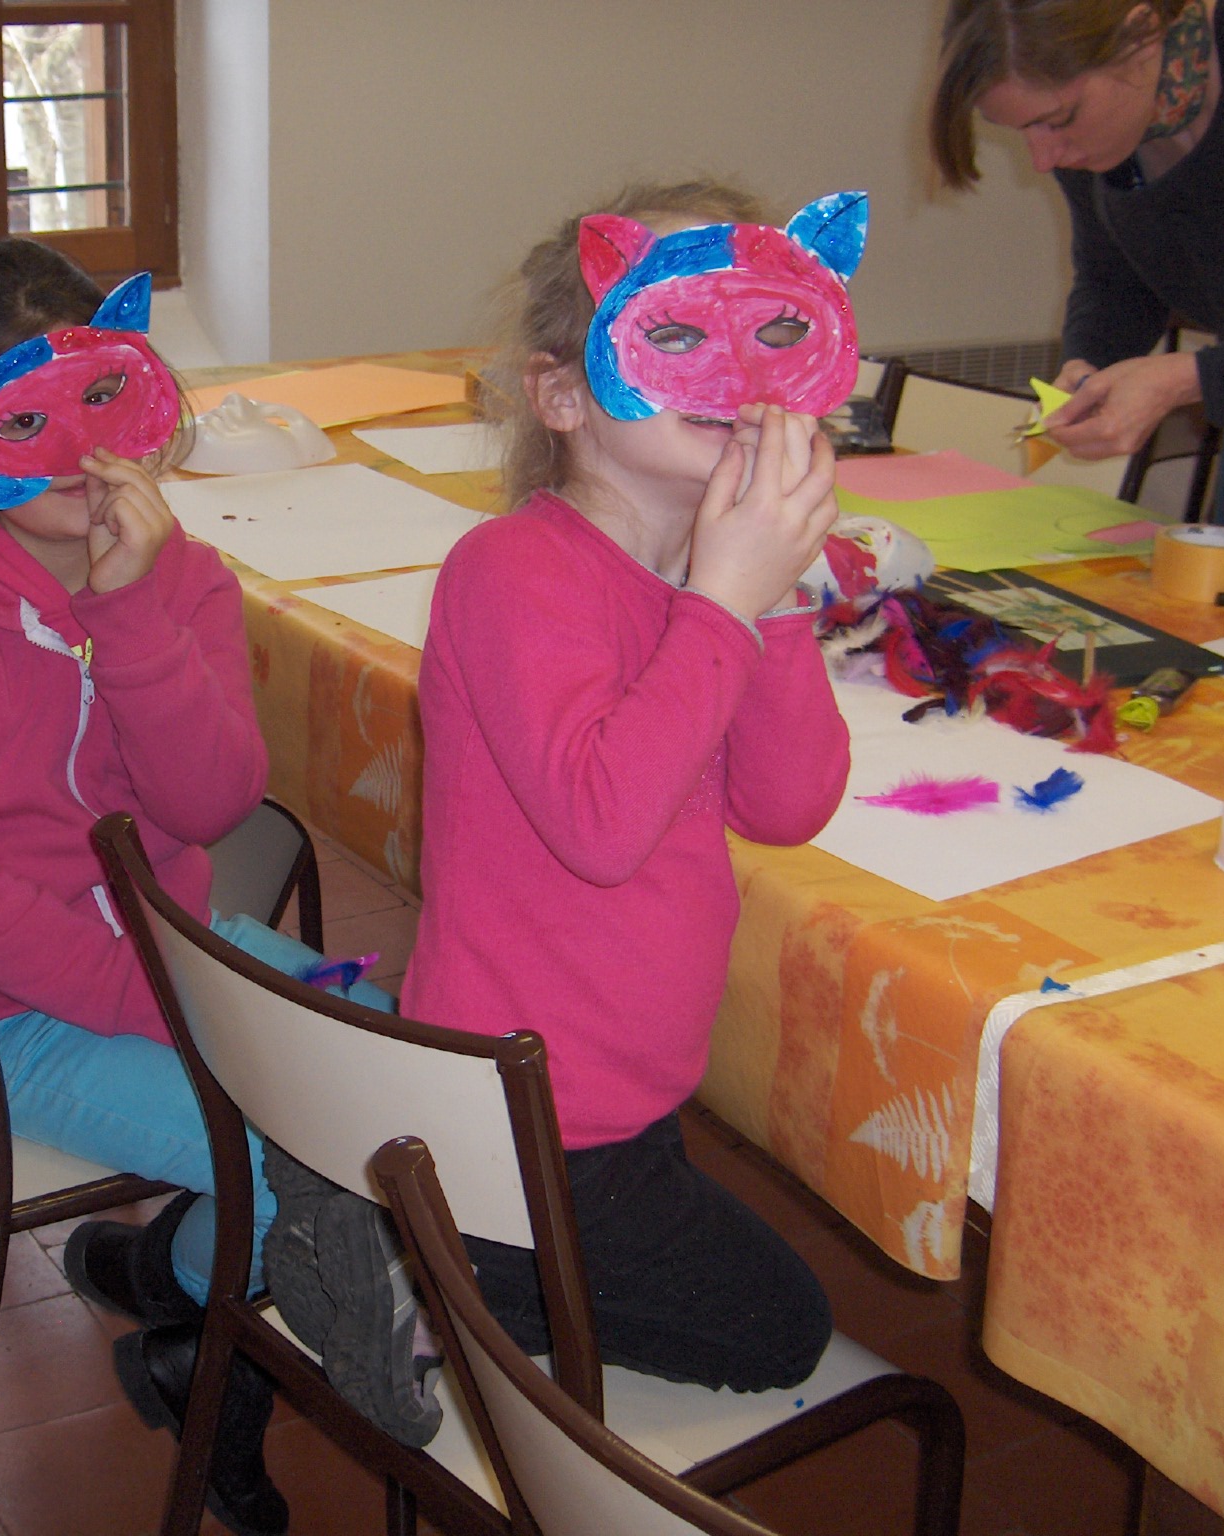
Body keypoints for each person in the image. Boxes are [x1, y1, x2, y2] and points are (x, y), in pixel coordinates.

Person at [0, 237, 386, 1536]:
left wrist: (135, 615)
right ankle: (214, 1375)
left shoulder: (178, 572)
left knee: (398, 1084)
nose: (89, 468)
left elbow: (208, 804)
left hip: (177, 951)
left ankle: (173, 1280)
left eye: (112, 411)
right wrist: (184, 1008)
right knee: (299, 1160)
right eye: (34, 429)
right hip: (8, 1015)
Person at [397, 181, 849, 1392]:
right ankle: (429, 1276)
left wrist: (775, 596)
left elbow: (786, 801)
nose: (737, 377)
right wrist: (724, 603)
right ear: (560, 393)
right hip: (520, 1115)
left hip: (616, 1096)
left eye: (773, 331)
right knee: (779, 1332)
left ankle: (451, 1273)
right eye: (681, 330)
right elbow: (601, 826)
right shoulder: (509, 570)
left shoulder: (705, 587)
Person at [929, 0, 1224, 573]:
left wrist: (1191, 378)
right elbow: (1115, 278)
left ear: (1141, 34)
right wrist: (1088, 364)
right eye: (1021, 130)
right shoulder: (1100, 127)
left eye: (1057, 121)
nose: (1043, 157)